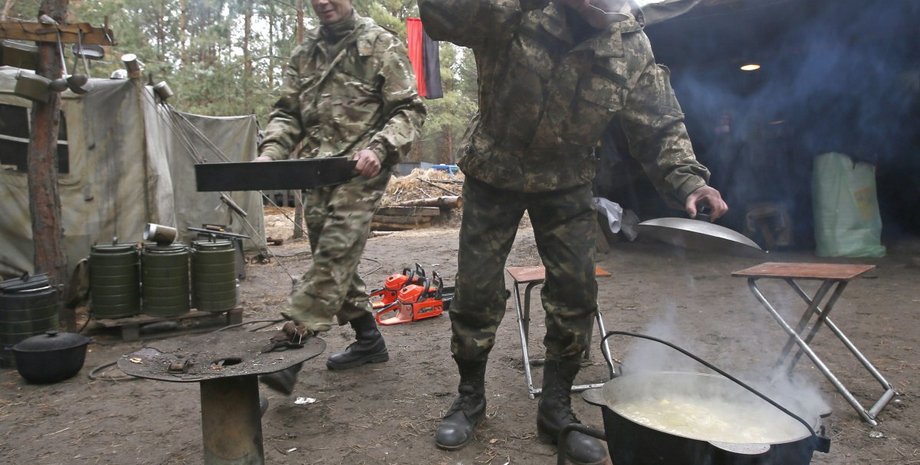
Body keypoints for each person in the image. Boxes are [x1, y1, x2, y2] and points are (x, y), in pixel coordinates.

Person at [417, 0, 728, 463]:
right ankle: (470, 399)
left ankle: (556, 409)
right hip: (494, 172)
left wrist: (689, 180)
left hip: (567, 180)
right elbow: (444, 17)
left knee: (576, 294)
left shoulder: (631, 46)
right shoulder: (518, 10)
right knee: (477, 291)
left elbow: (659, 124)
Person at [255, 0, 426, 394]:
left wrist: (380, 148)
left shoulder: (379, 44)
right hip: (317, 173)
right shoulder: (305, 54)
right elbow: (287, 113)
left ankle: (294, 343)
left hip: (362, 170)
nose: (322, 2)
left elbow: (409, 111)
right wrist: (270, 153)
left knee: (335, 250)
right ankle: (369, 340)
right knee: (332, 258)